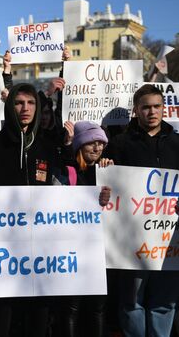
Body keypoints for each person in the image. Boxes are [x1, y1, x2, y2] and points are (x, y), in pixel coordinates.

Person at [0, 83, 110, 337]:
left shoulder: (49, 148)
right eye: (19, 103)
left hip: (41, 260)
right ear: (9, 106)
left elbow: (66, 195)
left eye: (31, 103)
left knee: (38, 323)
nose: (25, 108)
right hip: (1, 258)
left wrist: (92, 202)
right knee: (0, 323)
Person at [104, 84, 179, 337]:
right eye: (146, 107)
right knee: (131, 303)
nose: (152, 112)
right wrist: (105, 171)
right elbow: (107, 189)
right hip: (132, 240)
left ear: (164, 108)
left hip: (170, 240)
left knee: (165, 302)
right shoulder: (119, 144)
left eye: (157, 106)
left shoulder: (178, 143)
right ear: (136, 110)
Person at [62, 121, 113, 337]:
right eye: (92, 142)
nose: (98, 148)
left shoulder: (106, 171)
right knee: (71, 308)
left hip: (100, 250)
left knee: (97, 308)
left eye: (101, 143)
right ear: (80, 145)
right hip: (71, 249)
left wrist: (111, 175)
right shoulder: (67, 171)